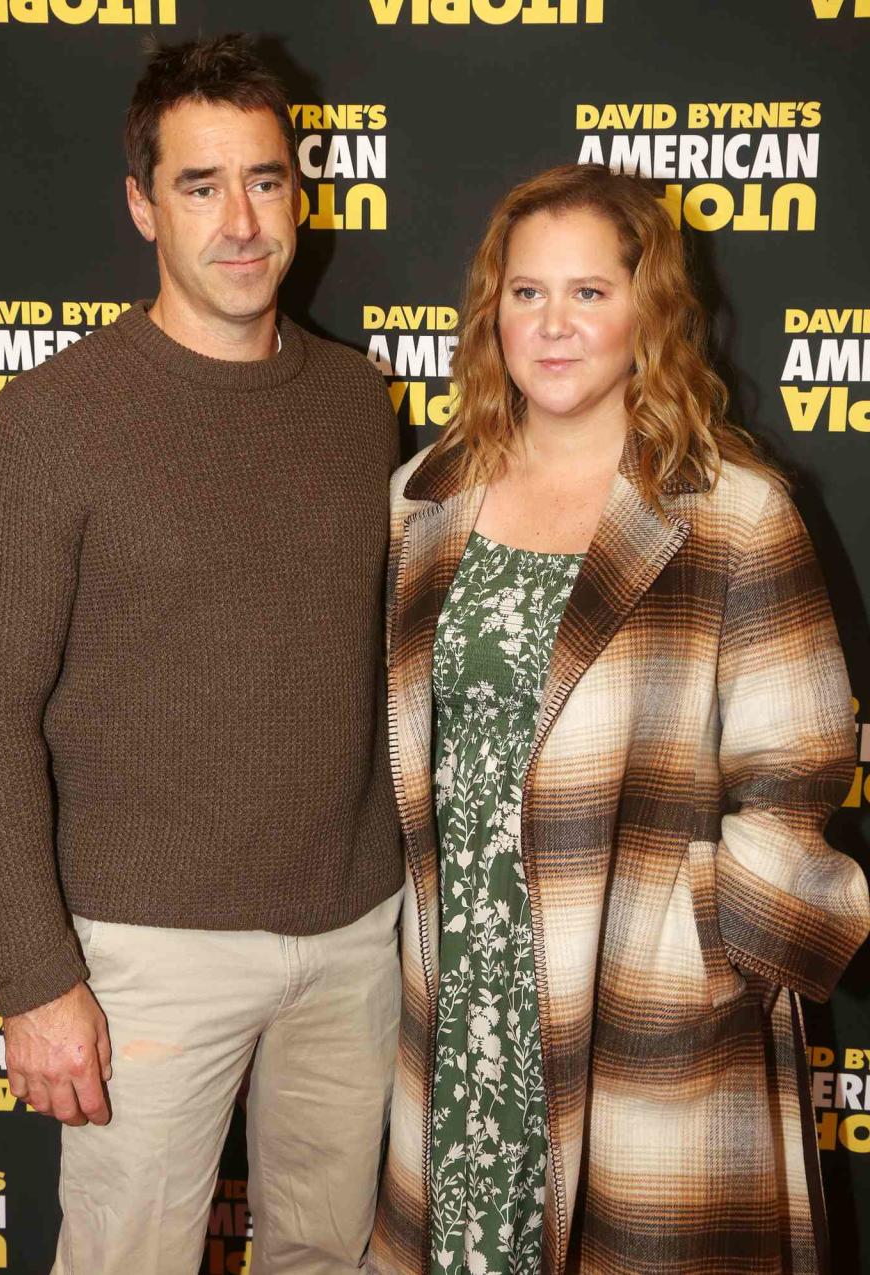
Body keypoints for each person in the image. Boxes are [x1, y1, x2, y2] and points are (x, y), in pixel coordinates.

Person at [0, 35, 403, 1275]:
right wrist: (34, 977)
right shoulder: (50, 420)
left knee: (329, 1257)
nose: (241, 221)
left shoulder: (362, 407)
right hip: (143, 954)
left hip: (356, 936)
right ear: (144, 203)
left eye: (266, 180)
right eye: (202, 185)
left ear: (302, 196)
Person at [367, 163, 869, 1275]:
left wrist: (710, 953)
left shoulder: (732, 509)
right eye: (527, 293)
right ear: (491, 311)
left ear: (647, 311)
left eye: (590, 293)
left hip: (651, 1001)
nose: (553, 326)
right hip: (463, 1005)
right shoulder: (423, 499)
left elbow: (797, 772)